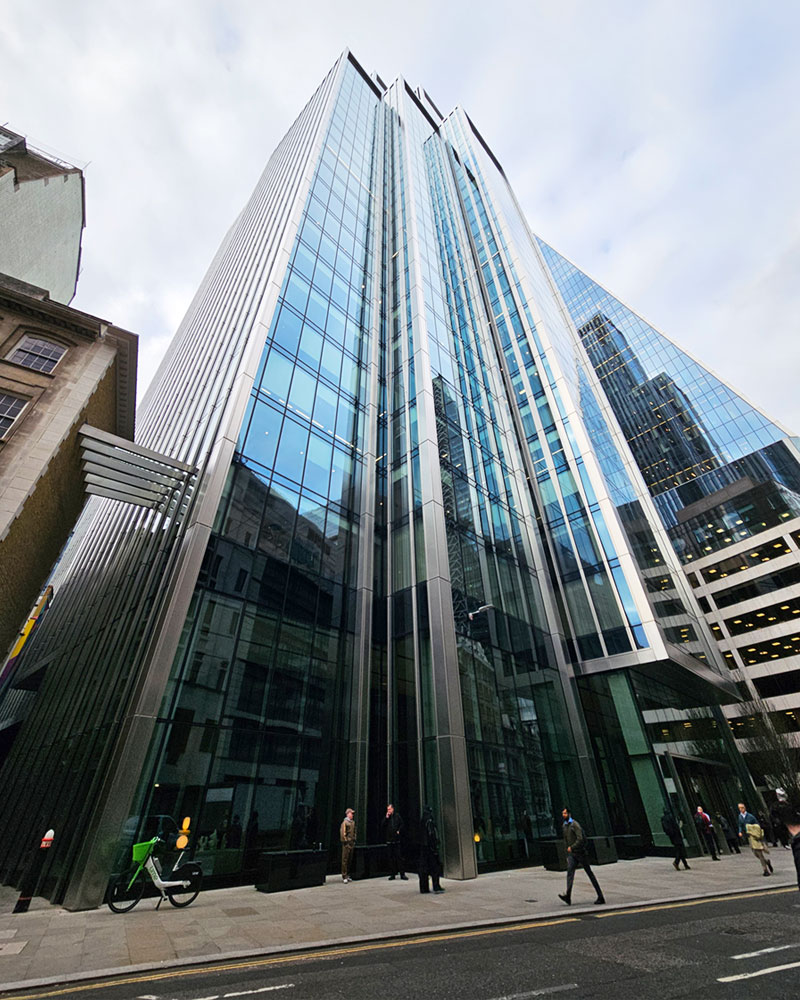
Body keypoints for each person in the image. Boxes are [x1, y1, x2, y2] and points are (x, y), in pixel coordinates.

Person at [558, 807, 605, 906]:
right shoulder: (564, 826)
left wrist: (572, 847)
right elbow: (565, 840)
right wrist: (568, 852)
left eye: (565, 813)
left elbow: (580, 838)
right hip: (572, 854)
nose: (563, 815)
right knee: (570, 873)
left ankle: (600, 896)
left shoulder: (575, 825)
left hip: (580, 853)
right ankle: (568, 896)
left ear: (569, 814)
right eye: (563, 813)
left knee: (589, 873)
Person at [418, 805, 445, 894]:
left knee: (424, 868)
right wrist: (435, 846)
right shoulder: (429, 820)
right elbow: (432, 834)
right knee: (435, 867)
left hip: (423, 847)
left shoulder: (422, 820)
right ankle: (436, 886)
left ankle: (424, 888)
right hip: (430, 848)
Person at [383, 804, 408, 881]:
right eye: (388, 809)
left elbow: (402, 824)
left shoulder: (397, 816)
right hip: (389, 840)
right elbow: (383, 825)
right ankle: (392, 874)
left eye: (389, 809)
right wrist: (386, 818)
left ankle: (402, 874)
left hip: (396, 840)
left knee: (399, 857)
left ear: (393, 809)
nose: (389, 811)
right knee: (391, 858)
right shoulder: (387, 817)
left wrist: (399, 831)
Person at [340, 807, 356, 883]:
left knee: (349, 859)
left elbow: (354, 831)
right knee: (345, 859)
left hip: (351, 843)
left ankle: (348, 874)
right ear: (348, 814)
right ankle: (344, 875)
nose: (352, 815)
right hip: (347, 844)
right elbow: (343, 833)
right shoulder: (345, 822)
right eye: (351, 813)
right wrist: (345, 841)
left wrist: (354, 839)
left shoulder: (353, 823)